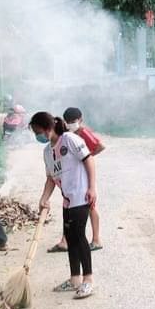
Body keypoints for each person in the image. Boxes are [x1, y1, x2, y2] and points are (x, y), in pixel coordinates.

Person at [30, 111, 97, 299]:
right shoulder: (47, 152)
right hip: (67, 199)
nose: (37, 136)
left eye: (38, 131)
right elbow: (51, 179)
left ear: (48, 128)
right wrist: (44, 198)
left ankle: (88, 280)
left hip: (81, 195)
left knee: (79, 236)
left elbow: (89, 160)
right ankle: (75, 279)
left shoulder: (69, 139)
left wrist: (92, 187)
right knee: (70, 237)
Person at [47, 106, 105, 254]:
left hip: (84, 175)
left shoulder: (83, 132)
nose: (70, 123)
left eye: (73, 121)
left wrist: (85, 158)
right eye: (68, 121)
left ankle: (96, 239)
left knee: (90, 205)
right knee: (68, 206)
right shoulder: (67, 135)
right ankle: (65, 241)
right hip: (73, 177)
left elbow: (100, 146)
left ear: (80, 120)